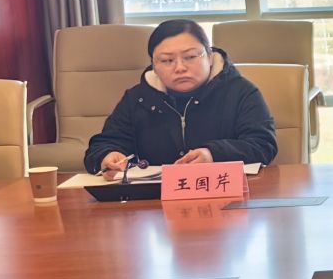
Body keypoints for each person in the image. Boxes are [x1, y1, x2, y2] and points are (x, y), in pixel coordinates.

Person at [86, 19, 276, 175]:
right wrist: (107, 156)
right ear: (154, 65)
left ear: (209, 57)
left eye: (190, 57)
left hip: (228, 196)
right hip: (155, 201)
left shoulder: (240, 92)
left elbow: (263, 144)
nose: (180, 67)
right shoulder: (137, 98)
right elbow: (104, 144)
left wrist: (213, 154)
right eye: (167, 60)